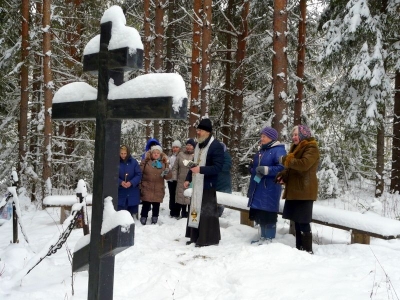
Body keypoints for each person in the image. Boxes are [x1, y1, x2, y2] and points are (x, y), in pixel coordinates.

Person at [276, 124, 320, 253]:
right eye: (293, 135)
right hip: (296, 189)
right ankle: (299, 250)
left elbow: (304, 165)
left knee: (304, 221)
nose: (293, 137)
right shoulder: (296, 148)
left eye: (296, 135)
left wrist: (286, 160)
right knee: (297, 221)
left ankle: (307, 250)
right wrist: (283, 175)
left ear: (302, 135)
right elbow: (291, 168)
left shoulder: (311, 147)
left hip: (305, 190)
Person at [184, 118, 224, 247]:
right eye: (197, 130)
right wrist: (188, 178)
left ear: (207, 132)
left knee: (206, 213)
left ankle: (207, 238)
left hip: (207, 185)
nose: (198, 132)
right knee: (195, 210)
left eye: (200, 130)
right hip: (196, 184)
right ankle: (195, 235)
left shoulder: (216, 146)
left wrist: (200, 169)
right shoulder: (198, 145)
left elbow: (218, 167)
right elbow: (194, 164)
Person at [247, 127, 286, 244]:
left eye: (264, 136)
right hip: (258, 187)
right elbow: (257, 169)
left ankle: (269, 239)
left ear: (271, 138)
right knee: (260, 213)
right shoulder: (261, 151)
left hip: (270, 188)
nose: (261, 138)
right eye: (261, 136)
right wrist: (251, 169)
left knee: (268, 213)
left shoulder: (278, 150)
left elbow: (282, 168)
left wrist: (267, 170)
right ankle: (262, 237)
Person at [139, 145, 172, 225]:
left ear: (160, 154)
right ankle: (143, 217)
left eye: (158, 153)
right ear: (151, 153)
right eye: (154, 153)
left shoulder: (164, 163)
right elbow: (140, 172)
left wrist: (168, 170)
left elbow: (167, 177)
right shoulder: (146, 161)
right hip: (147, 186)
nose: (156, 154)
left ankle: (155, 217)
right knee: (146, 204)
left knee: (156, 204)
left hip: (158, 187)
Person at [172, 138, 196, 218]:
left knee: (189, 197)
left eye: (191, 145)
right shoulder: (180, 154)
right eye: (187, 145)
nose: (189, 147)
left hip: (192, 180)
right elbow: (175, 167)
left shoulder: (196, 155)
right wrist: (175, 178)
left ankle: (188, 214)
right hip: (181, 179)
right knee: (181, 197)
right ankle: (180, 213)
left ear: (194, 147)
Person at [118, 145, 142, 219]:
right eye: (121, 153)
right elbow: (112, 175)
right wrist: (120, 182)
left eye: (125, 153)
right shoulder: (116, 162)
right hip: (120, 190)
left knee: (132, 210)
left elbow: (138, 174)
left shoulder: (133, 162)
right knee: (120, 212)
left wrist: (131, 182)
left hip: (132, 190)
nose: (123, 155)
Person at [215, 142, 232, 217]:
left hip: (224, 182)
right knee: (214, 200)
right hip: (215, 181)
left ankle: (218, 215)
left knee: (221, 200)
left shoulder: (226, 155)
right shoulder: (214, 156)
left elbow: (227, 166)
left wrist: (216, 167)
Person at [167, 140, 182, 218]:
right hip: (171, 179)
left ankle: (177, 211)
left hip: (179, 179)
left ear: (179, 148)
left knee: (178, 195)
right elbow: (167, 166)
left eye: (176, 147)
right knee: (172, 195)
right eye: (174, 147)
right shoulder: (169, 157)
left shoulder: (181, 156)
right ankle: (172, 211)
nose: (175, 149)